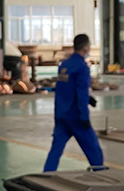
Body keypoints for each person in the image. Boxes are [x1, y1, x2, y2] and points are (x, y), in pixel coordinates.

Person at [44, 33, 103, 171]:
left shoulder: (64, 65)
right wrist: (84, 117)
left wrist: (88, 99)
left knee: (55, 150)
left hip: (61, 114)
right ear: (86, 48)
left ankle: (46, 175)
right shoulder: (82, 67)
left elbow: (65, 89)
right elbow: (81, 93)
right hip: (76, 116)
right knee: (93, 149)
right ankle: (101, 173)